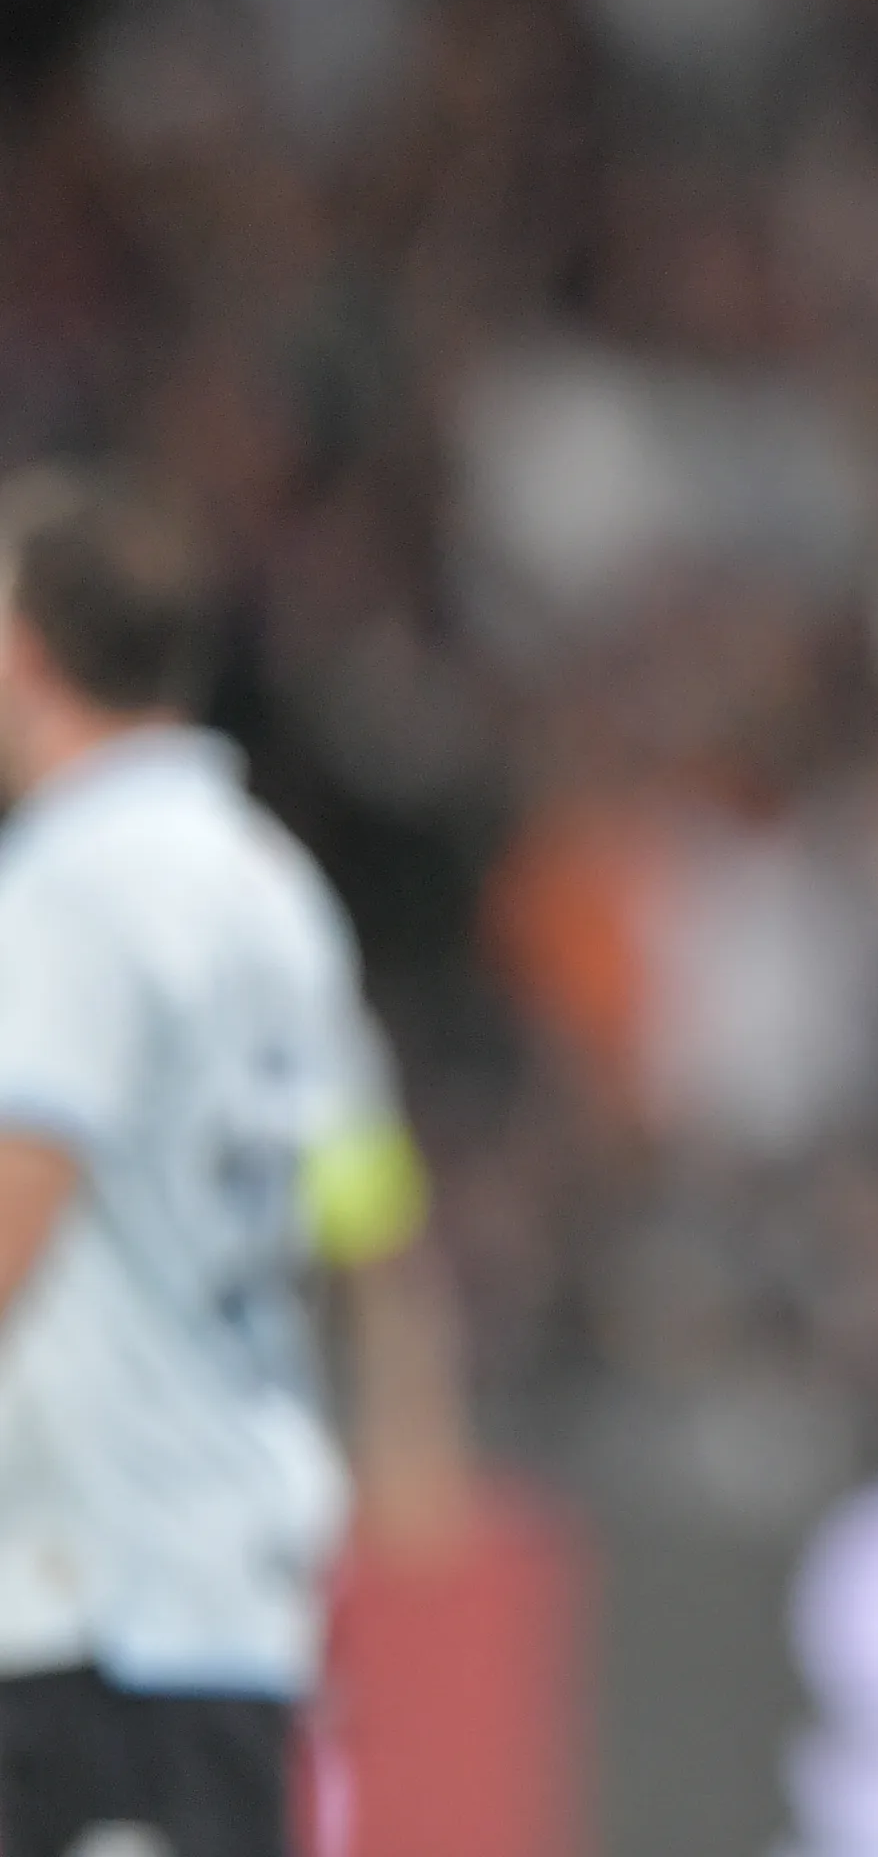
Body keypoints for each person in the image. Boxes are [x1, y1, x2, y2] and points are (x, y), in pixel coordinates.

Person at [0, 467, 438, 1857]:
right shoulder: (273, 889)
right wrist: (419, 1431)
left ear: (25, 647)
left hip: (92, 1588)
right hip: (234, 1580)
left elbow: (17, 1200)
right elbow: (366, 1202)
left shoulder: (74, 889)